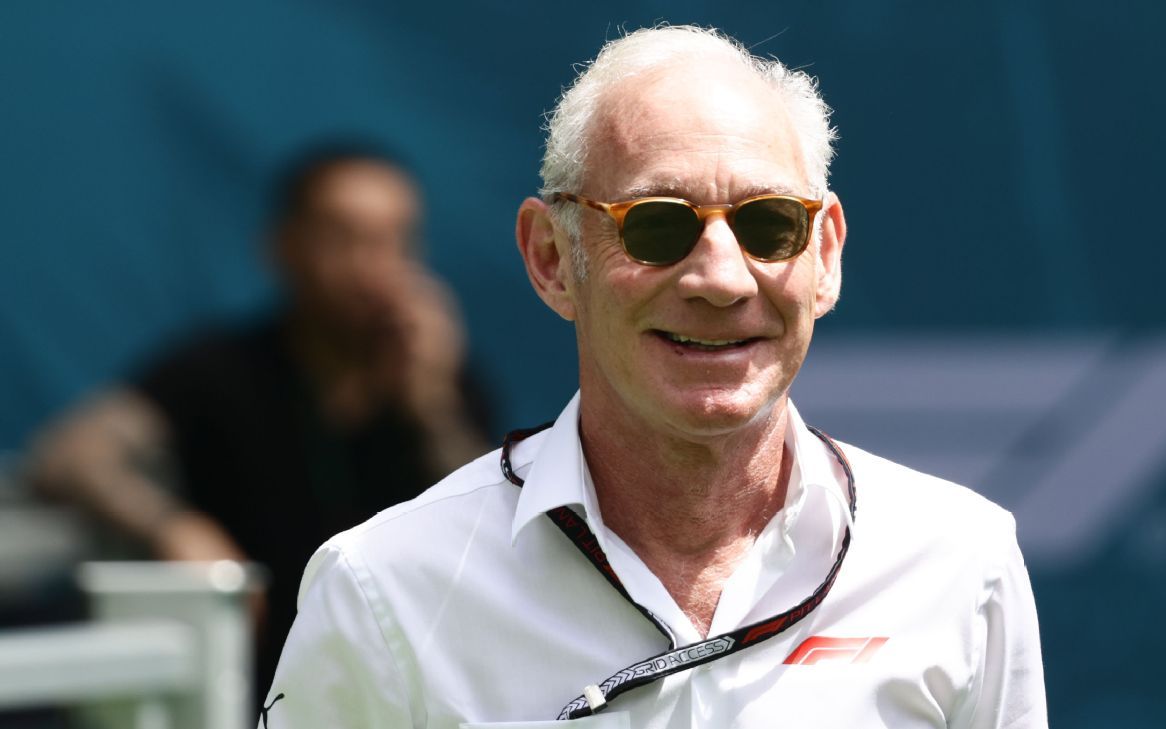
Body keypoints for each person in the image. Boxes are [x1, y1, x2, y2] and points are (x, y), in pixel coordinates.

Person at [263, 26, 1047, 728]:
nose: (722, 278)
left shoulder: (960, 562)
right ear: (552, 258)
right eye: (659, 223)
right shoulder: (383, 588)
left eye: (769, 222)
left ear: (826, 255)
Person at [25, 143, 494, 701]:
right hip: (253, 689)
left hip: (405, 689)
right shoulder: (222, 370)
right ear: (285, 247)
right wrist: (173, 526)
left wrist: (432, 403)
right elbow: (69, 454)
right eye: (343, 238)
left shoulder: (438, 382)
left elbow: (490, 538)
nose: (372, 266)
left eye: (394, 239)